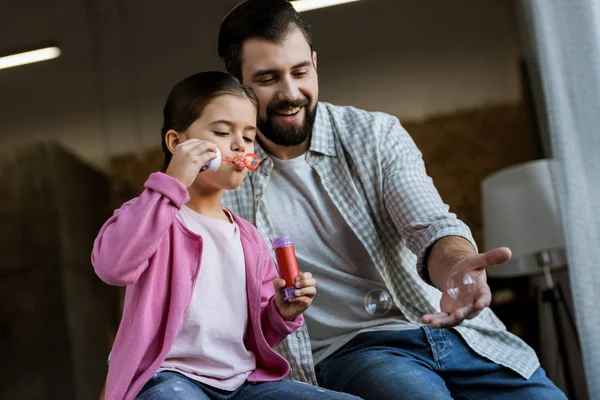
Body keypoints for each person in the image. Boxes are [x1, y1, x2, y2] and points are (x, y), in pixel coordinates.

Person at [217, 1, 567, 399]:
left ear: (315, 63)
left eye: (300, 72)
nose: (291, 93)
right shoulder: (223, 178)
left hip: (453, 332)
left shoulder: (375, 134)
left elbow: (430, 225)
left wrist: (456, 268)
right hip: (360, 352)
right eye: (267, 79)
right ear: (237, 85)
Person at [92, 71, 361, 400]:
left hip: (243, 383)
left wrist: (281, 312)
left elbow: (256, 331)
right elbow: (113, 266)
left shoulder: (249, 237)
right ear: (177, 143)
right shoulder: (150, 215)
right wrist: (171, 183)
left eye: (248, 137)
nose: (239, 145)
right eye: (222, 132)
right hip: (169, 378)